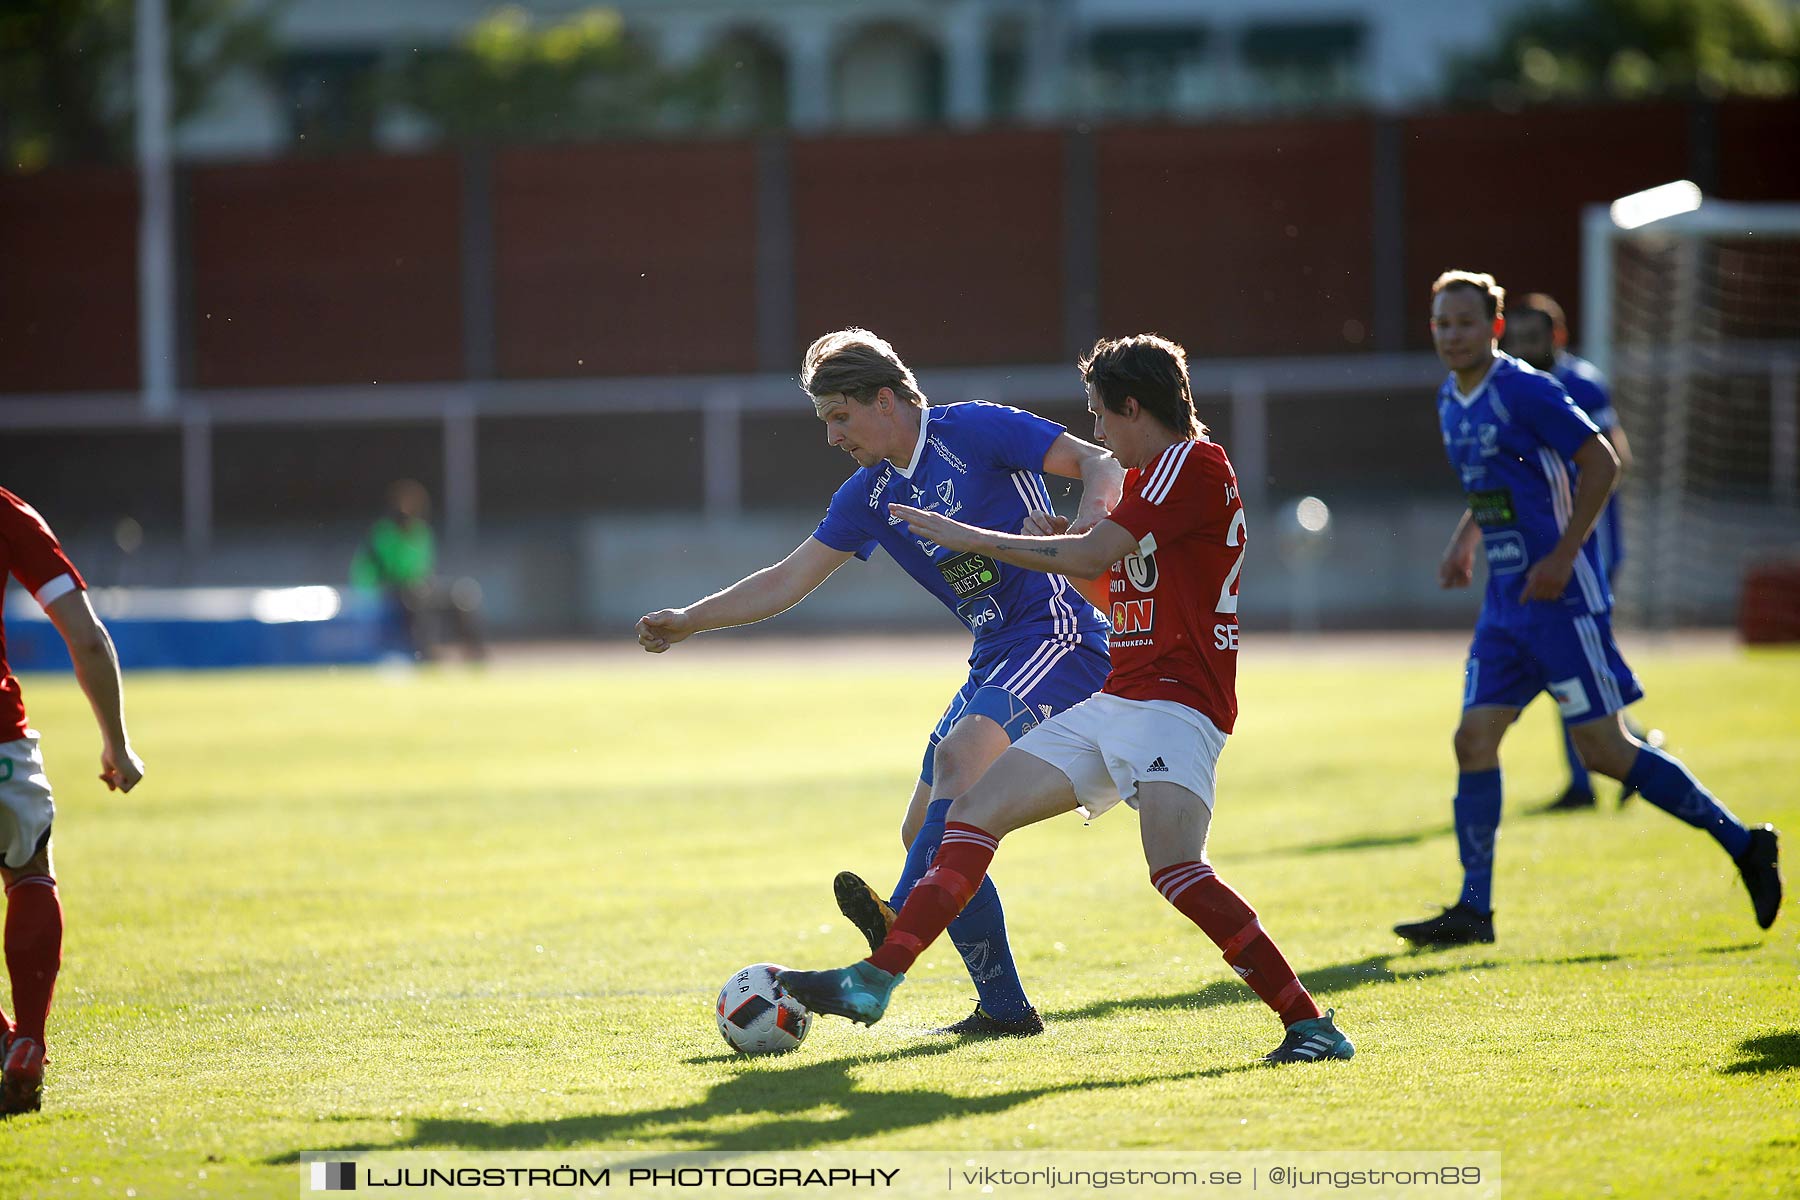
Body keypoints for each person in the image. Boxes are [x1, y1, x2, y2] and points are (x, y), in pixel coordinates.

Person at [777, 334, 1355, 1066]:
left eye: (1101, 415)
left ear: (1134, 406)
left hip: (1178, 707)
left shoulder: (1192, 465)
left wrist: (981, 538)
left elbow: (1088, 556)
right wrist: (1067, 540)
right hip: (1120, 695)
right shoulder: (1153, 482)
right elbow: (1114, 584)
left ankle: (1310, 1025)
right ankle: (874, 980)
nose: (1098, 433)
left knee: (1177, 872)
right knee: (971, 811)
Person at [636, 328, 1123, 1035]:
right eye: (825, 421)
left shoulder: (974, 429)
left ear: (886, 401)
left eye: (840, 417)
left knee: (958, 767)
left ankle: (892, 935)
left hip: (1060, 634)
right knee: (921, 831)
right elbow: (787, 578)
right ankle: (1004, 1009)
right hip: (997, 651)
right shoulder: (870, 494)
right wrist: (691, 619)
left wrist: (1083, 534)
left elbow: (1100, 461)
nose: (833, 437)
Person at [1392, 271, 1781, 947]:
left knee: (1604, 751)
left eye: (1464, 322)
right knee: (1472, 740)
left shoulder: (1527, 389)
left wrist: (1567, 555)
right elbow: (1493, 486)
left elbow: (1602, 462)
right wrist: (1464, 542)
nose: (1452, 334)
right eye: (1441, 323)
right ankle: (1474, 910)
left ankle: (1745, 844)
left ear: (1495, 326)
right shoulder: (1451, 400)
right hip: (1506, 607)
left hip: (1563, 603)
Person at [0, 488, 145, 1115]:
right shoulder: (8, 513)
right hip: (1, 740)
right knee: (29, 873)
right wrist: (117, 743)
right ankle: (27, 1037)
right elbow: (85, 637)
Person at [1501, 293, 1660, 812]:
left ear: (1559, 336)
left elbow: (1616, 456)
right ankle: (1617, 757)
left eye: (1534, 338)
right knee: (1563, 662)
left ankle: (1609, 765)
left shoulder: (1581, 383)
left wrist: (1566, 498)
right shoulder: (1514, 388)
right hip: (1543, 551)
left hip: (1588, 549)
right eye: (1516, 339)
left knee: (1568, 660)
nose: (1524, 348)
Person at [351, 479, 485, 663]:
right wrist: (369, 593)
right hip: (393, 591)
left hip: (420, 587)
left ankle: (475, 655)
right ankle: (426, 655)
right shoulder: (383, 533)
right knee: (416, 601)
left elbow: (423, 569)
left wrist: (423, 582)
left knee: (459, 596)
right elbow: (371, 568)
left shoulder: (421, 533)